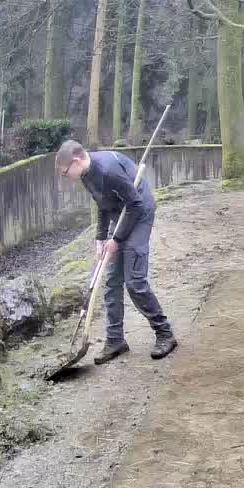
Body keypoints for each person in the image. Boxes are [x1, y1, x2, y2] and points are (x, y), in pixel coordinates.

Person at [56, 140, 177, 363]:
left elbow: (136, 204)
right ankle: (115, 340)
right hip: (118, 213)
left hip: (138, 213)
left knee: (134, 281)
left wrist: (117, 239)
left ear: (75, 161)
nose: (67, 177)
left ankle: (165, 333)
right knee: (111, 280)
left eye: (65, 173)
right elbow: (101, 204)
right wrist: (101, 238)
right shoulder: (86, 174)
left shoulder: (109, 171)